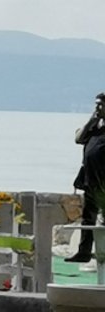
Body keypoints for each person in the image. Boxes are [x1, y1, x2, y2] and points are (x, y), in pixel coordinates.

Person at [66, 92, 105, 263]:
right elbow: (78, 138)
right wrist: (92, 120)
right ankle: (84, 252)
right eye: (96, 104)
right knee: (88, 218)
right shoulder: (94, 127)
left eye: (101, 105)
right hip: (91, 181)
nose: (97, 108)